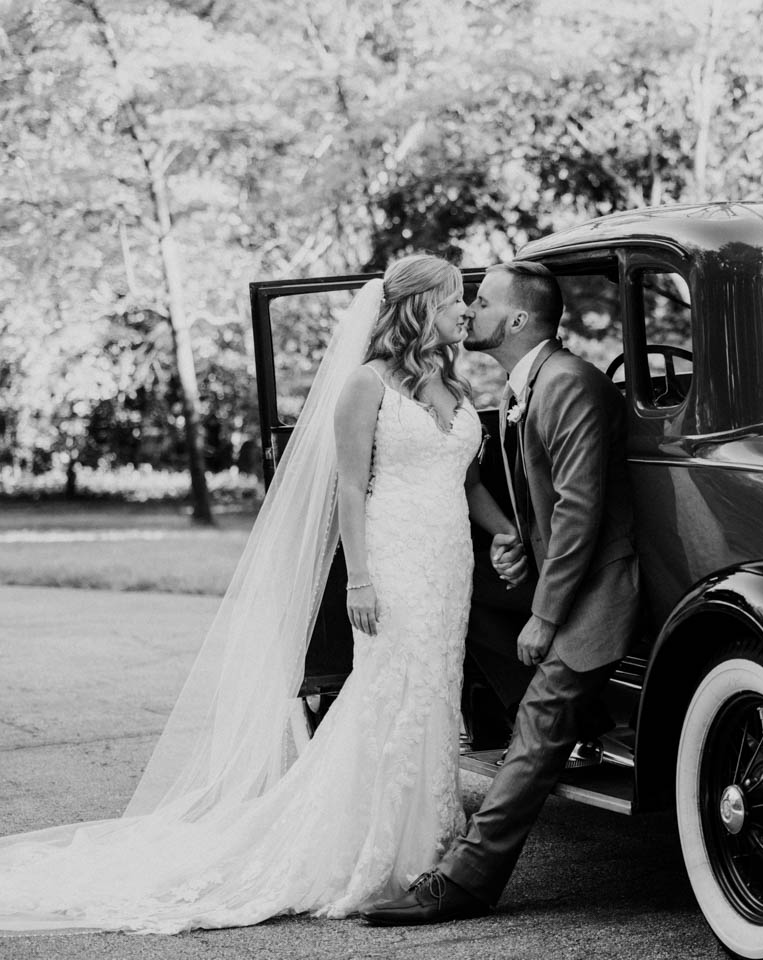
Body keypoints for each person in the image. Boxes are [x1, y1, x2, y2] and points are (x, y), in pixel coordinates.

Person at [0, 254, 489, 933]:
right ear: (418, 307)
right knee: (393, 686)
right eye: (455, 299)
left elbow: (461, 480)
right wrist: (360, 577)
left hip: (450, 557)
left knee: (437, 682)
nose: (466, 309)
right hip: (395, 553)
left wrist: (503, 535)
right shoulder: (366, 385)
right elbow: (350, 487)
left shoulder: (453, 385)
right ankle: (374, 845)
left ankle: (428, 835)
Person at [361, 259, 638, 925]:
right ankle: (591, 719)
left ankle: (464, 883)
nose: (467, 313)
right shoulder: (527, 381)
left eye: (479, 302)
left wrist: (544, 618)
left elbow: (578, 514)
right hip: (552, 570)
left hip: (599, 590)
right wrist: (512, 541)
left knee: (538, 726)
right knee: (478, 603)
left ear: (514, 320)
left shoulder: (566, 383)